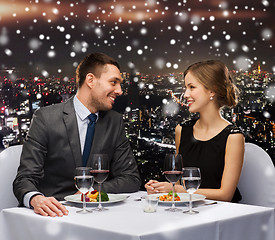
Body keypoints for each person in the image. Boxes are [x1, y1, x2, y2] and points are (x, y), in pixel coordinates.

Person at [13, 53, 141, 217]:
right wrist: (36, 199)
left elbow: (131, 178)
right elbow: (24, 179)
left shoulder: (114, 122)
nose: (120, 91)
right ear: (90, 80)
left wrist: (91, 192)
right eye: (114, 82)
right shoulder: (46, 118)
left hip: (100, 215)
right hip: (55, 215)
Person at [145, 60, 245, 202]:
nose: (185, 94)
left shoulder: (233, 136)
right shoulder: (182, 130)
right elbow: (178, 182)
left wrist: (178, 190)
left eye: (192, 87)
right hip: (187, 210)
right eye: (186, 87)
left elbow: (225, 195)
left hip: (222, 214)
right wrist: (161, 188)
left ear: (212, 90)